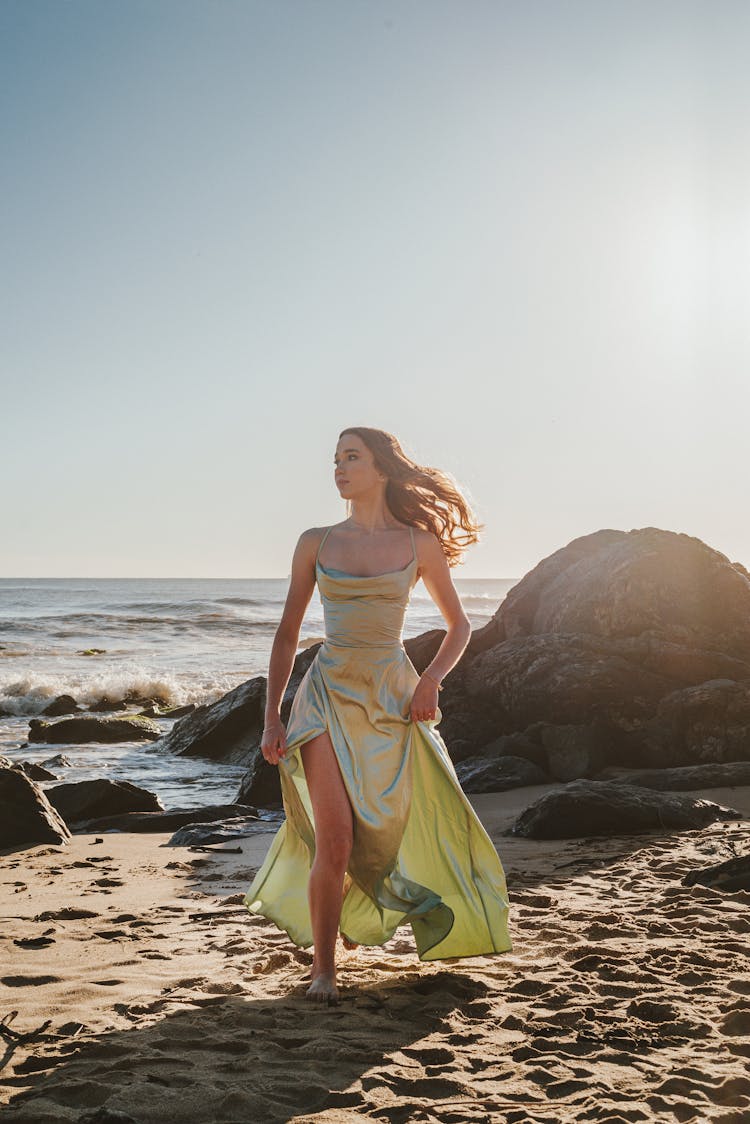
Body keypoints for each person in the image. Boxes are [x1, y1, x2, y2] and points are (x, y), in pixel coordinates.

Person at [243, 426, 512, 1004]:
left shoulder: (419, 544)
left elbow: (460, 625)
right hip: (327, 694)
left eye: (351, 457)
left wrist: (432, 680)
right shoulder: (315, 541)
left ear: (382, 469)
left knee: (380, 833)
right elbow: (289, 632)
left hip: (391, 697)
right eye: (335, 458)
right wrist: (272, 716)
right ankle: (323, 971)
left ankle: (360, 920)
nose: (339, 468)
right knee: (334, 838)